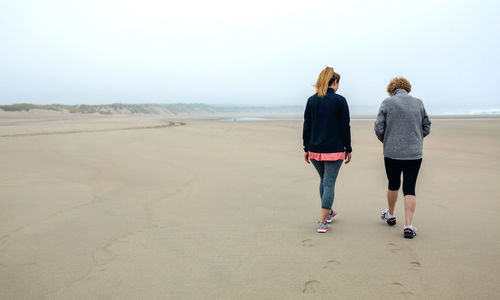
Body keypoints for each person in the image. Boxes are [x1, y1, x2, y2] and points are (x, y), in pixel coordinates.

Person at [374, 77, 431, 238]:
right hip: (414, 153)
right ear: (408, 88)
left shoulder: (387, 103)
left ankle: (390, 215)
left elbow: (378, 127)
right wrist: (417, 138)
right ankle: (408, 225)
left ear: (391, 89)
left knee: (393, 184)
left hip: (392, 152)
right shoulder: (418, 103)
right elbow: (426, 126)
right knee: (409, 188)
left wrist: (387, 140)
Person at [303, 66, 352, 233]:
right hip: (334, 149)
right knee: (329, 182)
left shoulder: (311, 100)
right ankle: (323, 222)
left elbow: (307, 127)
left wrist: (306, 148)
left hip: (315, 149)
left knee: (324, 180)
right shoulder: (339, 100)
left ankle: (329, 212)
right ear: (335, 82)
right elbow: (345, 127)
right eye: (338, 83)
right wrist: (349, 148)